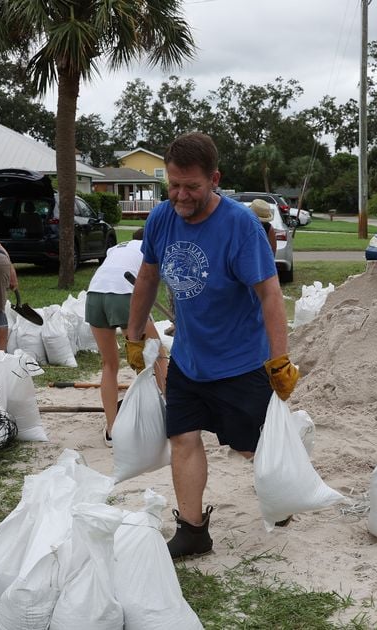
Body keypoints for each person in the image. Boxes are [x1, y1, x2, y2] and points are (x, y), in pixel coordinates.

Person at [125, 132, 297, 559]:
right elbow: (147, 278)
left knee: (250, 447)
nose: (181, 195)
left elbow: (270, 294)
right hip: (188, 358)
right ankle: (193, 531)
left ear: (214, 179)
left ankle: (281, 492)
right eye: (174, 184)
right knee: (183, 438)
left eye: (192, 187)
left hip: (240, 362)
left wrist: (279, 359)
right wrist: (132, 336)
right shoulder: (162, 218)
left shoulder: (239, 225)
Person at [86, 227, 168, 445]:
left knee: (109, 364)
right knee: (158, 355)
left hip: (94, 296)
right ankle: (172, 415)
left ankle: (112, 430)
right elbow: (150, 285)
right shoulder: (150, 249)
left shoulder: (116, 248)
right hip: (124, 294)